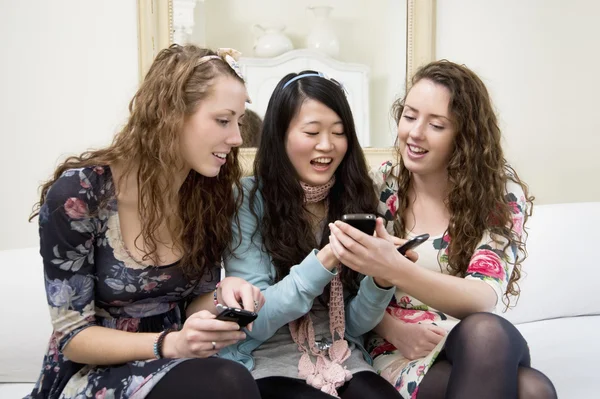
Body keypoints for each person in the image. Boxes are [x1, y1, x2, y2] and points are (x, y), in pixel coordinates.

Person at [26, 44, 265, 399]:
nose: (237, 138)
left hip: (175, 364)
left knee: (228, 380)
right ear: (171, 113)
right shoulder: (80, 196)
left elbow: (192, 304)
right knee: (226, 383)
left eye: (239, 122)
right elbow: (74, 338)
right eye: (222, 120)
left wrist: (222, 295)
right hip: (91, 373)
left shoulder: (207, 195)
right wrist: (170, 343)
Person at [329, 60, 557, 398]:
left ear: (465, 137)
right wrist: (394, 329)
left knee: (485, 333)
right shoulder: (378, 187)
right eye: (409, 116)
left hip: (469, 336)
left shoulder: (499, 194)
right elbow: (340, 290)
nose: (415, 133)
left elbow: (481, 298)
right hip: (399, 345)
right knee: (532, 391)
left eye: (436, 125)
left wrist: (394, 268)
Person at [221, 71, 402, 398]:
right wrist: (326, 258)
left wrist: (383, 277)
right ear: (280, 135)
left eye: (339, 132)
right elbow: (256, 320)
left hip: (342, 356)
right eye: (312, 132)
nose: (327, 145)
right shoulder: (247, 200)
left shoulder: (358, 199)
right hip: (267, 359)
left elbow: (353, 324)